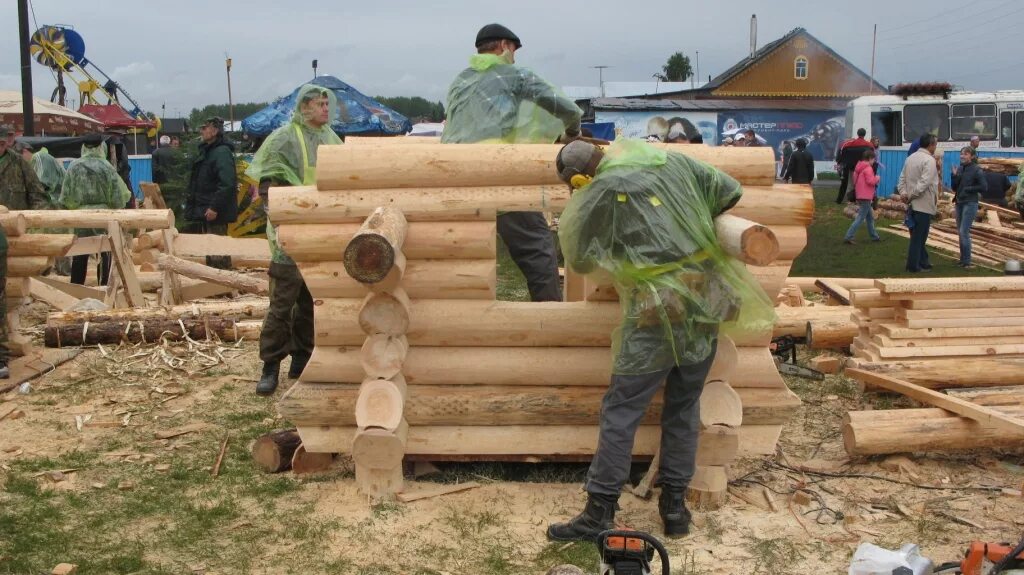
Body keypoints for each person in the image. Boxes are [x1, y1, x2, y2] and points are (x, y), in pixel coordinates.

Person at [546, 139, 772, 542]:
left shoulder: (598, 194)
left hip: (657, 301)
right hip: (708, 292)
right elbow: (729, 189)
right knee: (683, 405)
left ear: (579, 180)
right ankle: (674, 510)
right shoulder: (671, 159)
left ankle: (599, 511)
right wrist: (686, 219)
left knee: (623, 408)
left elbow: (578, 259)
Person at [441, 23, 582, 302]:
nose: (515, 57)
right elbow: (563, 106)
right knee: (537, 248)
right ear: (504, 46)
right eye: (514, 51)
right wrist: (573, 133)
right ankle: (550, 321)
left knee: (457, 258)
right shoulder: (514, 74)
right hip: (495, 173)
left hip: (451, 176)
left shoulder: (460, 80)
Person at [246, 84, 342, 395]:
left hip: (321, 235)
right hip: (290, 234)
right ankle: (270, 365)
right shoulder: (284, 139)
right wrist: (279, 223)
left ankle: (302, 359)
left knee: (311, 303)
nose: (326, 109)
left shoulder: (331, 140)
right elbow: (268, 187)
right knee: (282, 303)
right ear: (305, 107)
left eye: (328, 103)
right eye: (320, 104)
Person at [0, 126, 49, 379]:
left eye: (3, 143)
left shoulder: (18, 164)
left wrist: (34, 228)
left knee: (8, 294)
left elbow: (38, 195)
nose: (1, 146)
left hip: (12, 237)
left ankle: (3, 353)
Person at [59, 133, 132, 286]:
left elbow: (65, 197)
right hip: (104, 216)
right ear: (101, 146)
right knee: (105, 253)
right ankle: (105, 287)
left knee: (80, 254)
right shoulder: (107, 168)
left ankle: (76, 287)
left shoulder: (74, 167)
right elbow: (119, 198)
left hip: (81, 216)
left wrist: (76, 208)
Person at [186, 117, 238, 268]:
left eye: (205, 127)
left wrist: (215, 207)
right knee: (210, 250)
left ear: (215, 131)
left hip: (215, 212)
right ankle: (213, 287)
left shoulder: (221, 152)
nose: (202, 130)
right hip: (206, 209)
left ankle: (223, 287)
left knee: (218, 253)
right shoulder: (209, 151)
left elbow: (227, 183)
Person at [898, 134, 940, 273]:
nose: (936, 147)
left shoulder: (910, 158)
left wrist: (904, 193)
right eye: (935, 144)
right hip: (923, 203)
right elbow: (924, 182)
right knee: (919, 237)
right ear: (930, 145)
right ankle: (913, 265)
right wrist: (911, 195)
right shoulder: (929, 160)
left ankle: (923, 261)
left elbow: (902, 179)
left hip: (912, 203)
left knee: (918, 234)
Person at [950, 146, 986, 269]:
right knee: (960, 232)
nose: (962, 156)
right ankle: (963, 260)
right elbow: (955, 188)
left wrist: (968, 189)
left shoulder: (977, 170)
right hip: (959, 202)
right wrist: (954, 176)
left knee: (963, 231)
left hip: (970, 203)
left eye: (965, 154)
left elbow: (983, 187)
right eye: (961, 154)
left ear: (972, 156)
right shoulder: (960, 169)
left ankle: (967, 261)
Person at [843, 149, 882, 244]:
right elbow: (870, 181)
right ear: (869, 159)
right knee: (860, 218)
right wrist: (877, 178)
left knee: (869, 218)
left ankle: (874, 236)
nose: (874, 162)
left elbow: (856, 180)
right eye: (873, 159)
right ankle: (849, 236)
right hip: (866, 196)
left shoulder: (859, 167)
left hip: (861, 195)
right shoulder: (868, 168)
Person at [835, 128, 872, 204]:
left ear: (857, 134)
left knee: (849, 184)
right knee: (861, 184)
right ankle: (860, 200)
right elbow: (872, 157)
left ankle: (845, 200)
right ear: (864, 134)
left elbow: (841, 152)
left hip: (850, 167)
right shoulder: (869, 145)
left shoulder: (848, 144)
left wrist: (839, 162)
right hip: (863, 169)